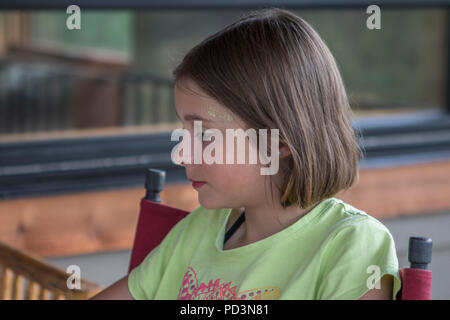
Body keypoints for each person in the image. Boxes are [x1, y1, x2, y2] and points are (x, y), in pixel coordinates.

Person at [91, 7, 401, 300]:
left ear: (278, 141)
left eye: (204, 135)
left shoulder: (351, 247)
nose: (181, 154)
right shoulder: (198, 231)